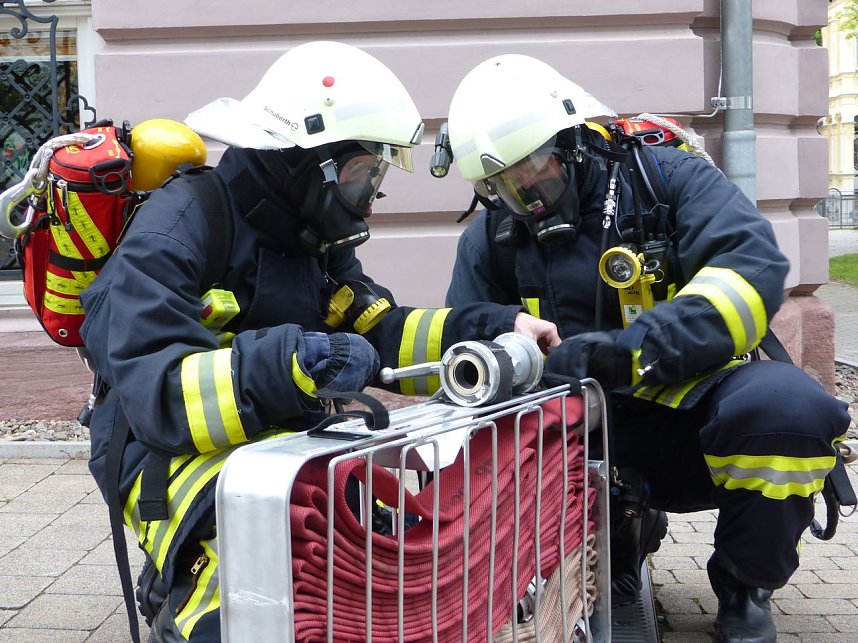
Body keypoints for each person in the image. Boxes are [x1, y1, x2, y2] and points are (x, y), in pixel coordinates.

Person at [79, 41, 559, 643]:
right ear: (307, 164)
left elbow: (381, 332)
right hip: (162, 454)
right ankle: (181, 599)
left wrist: (491, 328)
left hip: (275, 435)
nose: (370, 198)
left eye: (378, 176)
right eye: (364, 177)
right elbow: (160, 397)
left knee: (378, 550)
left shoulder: (309, 236)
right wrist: (293, 363)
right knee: (251, 589)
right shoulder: (179, 228)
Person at [443, 53, 851, 643]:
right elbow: (464, 332)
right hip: (587, 434)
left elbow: (750, 270)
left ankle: (744, 585)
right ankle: (615, 558)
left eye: (534, 168)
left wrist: (634, 352)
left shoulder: (661, 176)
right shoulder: (494, 235)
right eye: (500, 185)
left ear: (575, 141)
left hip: (696, 416)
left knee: (790, 410)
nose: (524, 195)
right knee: (499, 441)